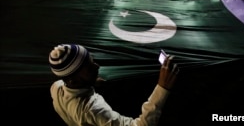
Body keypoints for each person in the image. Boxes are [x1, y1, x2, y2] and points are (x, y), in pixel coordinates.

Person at [49, 44, 179, 126]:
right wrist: (162, 87)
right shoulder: (93, 109)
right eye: (89, 69)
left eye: (92, 61)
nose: (97, 66)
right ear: (73, 81)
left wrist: (89, 82)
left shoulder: (56, 87)